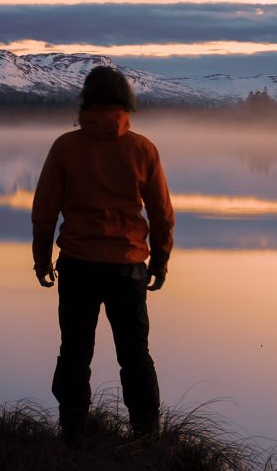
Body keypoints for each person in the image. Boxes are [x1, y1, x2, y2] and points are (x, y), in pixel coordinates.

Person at [31, 65, 174, 441]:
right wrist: (159, 261)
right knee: (135, 356)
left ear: (86, 102)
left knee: (75, 353)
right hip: (128, 269)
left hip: (78, 266)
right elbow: (161, 213)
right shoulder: (142, 149)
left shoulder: (66, 147)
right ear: (126, 103)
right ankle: (147, 437)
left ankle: (72, 434)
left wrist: (41, 259)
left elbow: (44, 212)